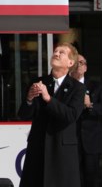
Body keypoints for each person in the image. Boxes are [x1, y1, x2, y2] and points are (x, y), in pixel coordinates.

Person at [18, 43, 86, 187]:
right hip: (38, 149)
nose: (56, 53)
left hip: (62, 152)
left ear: (70, 63)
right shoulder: (38, 82)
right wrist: (29, 100)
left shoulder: (77, 88)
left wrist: (49, 99)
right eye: (55, 51)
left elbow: (71, 115)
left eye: (61, 52)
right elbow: (24, 115)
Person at [71, 54, 102, 187]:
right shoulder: (64, 86)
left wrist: (90, 105)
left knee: (91, 178)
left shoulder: (97, 86)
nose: (79, 65)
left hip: (91, 140)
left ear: (86, 67)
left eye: (81, 63)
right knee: (73, 178)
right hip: (70, 140)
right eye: (75, 63)